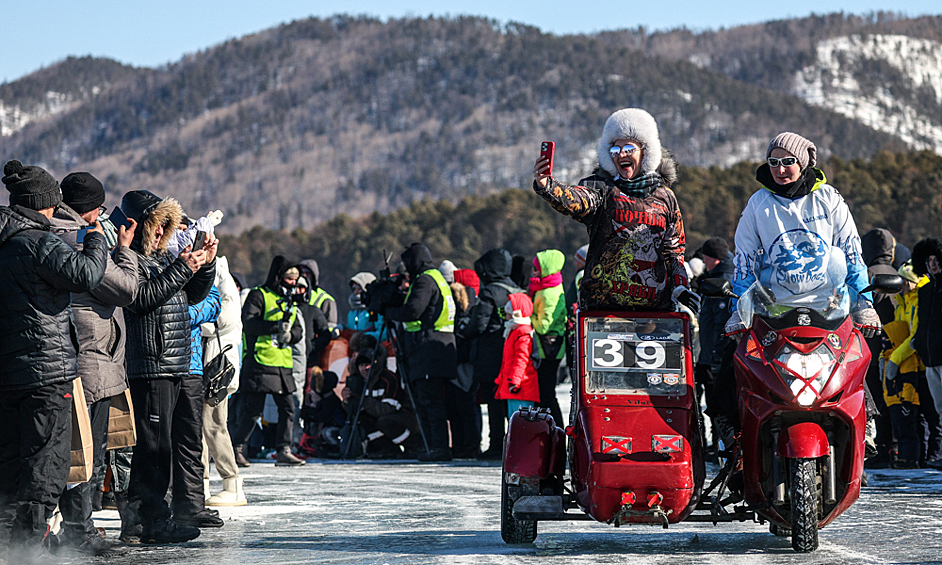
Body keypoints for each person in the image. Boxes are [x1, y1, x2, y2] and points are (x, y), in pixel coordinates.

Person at [716, 132, 881, 444]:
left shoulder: (829, 200)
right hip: (774, 308)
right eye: (773, 162)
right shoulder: (759, 204)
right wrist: (739, 309)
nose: (780, 169)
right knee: (734, 356)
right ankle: (731, 429)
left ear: (803, 162)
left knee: (852, 353)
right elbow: (745, 260)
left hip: (827, 307)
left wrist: (864, 303)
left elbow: (850, 253)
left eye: (788, 161)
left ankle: (866, 419)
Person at [0, 161, 108, 557]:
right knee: (46, 466)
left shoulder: (6, 240)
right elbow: (86, 275)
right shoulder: (37, 243)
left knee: (12, 464)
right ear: (45, 203)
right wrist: (96, 239)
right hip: (46, 372)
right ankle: (26, 551)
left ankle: (9, 547)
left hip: (11, 373)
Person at [532, 107, 698, 315]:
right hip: (602, 310)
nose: (621, 155)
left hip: (654, 314)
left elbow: (674, 250)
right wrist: (547, 185)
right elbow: (576, 200)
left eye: (628, 149)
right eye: (615, 150)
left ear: (645, 152)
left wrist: (681, 287)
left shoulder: (665, 198)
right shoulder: (602, 189)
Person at [50, 172, 138, 556]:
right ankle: (79, 529)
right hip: (90, 360)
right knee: (86, 451)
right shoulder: (81, 241)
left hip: (77, 357)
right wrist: (124, 248)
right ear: (91, 210)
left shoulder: (54, 235)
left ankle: (74, 527)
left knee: (73, 451)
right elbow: (126, 288)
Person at [121, 189, 217, 544]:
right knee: (152, 448)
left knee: (161, 448)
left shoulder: (161, 260)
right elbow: (142, 299)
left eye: (166, 226)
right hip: (152, 364)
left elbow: (192, 295)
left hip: (173, 362)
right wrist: (183, 266)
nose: (161, 233)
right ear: (141, 226)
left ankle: (146, 520)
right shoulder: (131, 259)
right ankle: (145, 521)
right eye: (156, 226)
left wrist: (204, 263)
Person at [383, 243, 457, 462]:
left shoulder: (424, 280)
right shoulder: (437, 278)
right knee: (433, 401)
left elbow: (414, 310)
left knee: (429, 402)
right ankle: (436, 446)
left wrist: (390, 312)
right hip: (438, 348)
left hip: (428, 350)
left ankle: (437, 447)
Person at [232, 256, 306, 466]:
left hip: (283, 362)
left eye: (295, 279)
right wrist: (275, 327)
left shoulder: (291, 301)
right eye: (289, 278)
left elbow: (297, 328)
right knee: (253, 410)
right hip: (260, 361)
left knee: (288, 409)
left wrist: (291, 336)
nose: (292, 283)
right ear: (278, 277)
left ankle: (283, 449)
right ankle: (237, 447)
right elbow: (249, 323)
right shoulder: (259, 295)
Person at [457, 248, 524, 459]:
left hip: (490, 353)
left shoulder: (489, 292)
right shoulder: (518, 289)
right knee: (511, 403)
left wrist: (463, 329)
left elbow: (478, 325)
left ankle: (496, 445)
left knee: (494, 401)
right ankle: (515, 445)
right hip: (511, 351)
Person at [202, 256, 247, 507]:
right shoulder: (212, 277)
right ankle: (203, 483)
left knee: (214, 426)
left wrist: (193, 319)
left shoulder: (222, 279)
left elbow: (225, 320)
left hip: (217, 371)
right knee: (199, 429)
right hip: (206, 368)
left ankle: (232, 483)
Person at [861, 228, 904, 467]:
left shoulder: (867, 274)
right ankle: (895, 449)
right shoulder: (897, 274)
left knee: (875, 400)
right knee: (897, 399)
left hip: (872, 346)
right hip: (899, 348)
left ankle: (881, 449)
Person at [882, 262, 931, 469]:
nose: (899, 284)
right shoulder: (902, 301)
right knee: (912, 415)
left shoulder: (919, 300)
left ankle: (926, 456)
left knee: (927, 415)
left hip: (920, 364)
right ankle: (916, 457)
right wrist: (884, 359)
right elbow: (897, 335)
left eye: (903, 280)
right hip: (906, 364)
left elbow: (914, 336)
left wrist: (894, 359)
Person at [341, 351, 420, 458]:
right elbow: (354, 411)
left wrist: (362, 400)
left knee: (384, 422)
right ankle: (386, 449)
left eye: (367, 365)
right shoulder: (357, 381)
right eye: (361, 365)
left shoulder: (388, 379)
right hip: (378, 416)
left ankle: (414, 445)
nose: (364, 369)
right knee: (362, 419)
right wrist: (347, 401)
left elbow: (388, 408)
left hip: (403, 416)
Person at [910, 238, 942, 469]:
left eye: (935, 260)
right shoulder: (925, 289)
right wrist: (919, 343)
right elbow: (922, 323)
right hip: (930, 359)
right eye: (928, 260)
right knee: (939, 409)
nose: (932, 264)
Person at [696, 237, 734, 431]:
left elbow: (721, 324)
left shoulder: (721, 282)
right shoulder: (714, 275)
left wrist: (713, 357)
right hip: (711, 354)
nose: (703, 260)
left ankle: (721, 441)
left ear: (715, 259)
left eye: (705, 256)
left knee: (717, 401)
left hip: (717, 356)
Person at [530, 249, 566, 427]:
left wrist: (528, 316)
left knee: (546, 394)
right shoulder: (549, 287)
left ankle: (556, 428)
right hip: (549, 348)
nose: (533, 271)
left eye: (537, 268)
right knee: (545, 393)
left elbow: (544, 326)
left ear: (546, 269)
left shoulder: (547, 293)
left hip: (548, 349)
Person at [494, 293, 540, 417]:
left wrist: (514, 381)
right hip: (513, 385)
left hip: (520, 386)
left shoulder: (522, 332)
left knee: (520, 421)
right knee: (515, 421)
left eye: (509, 315)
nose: (507, 318)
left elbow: (522, 359)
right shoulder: (514, 331)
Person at [299, 259, 339, 329]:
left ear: (313, 275)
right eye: (301, 273)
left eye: (307, 273)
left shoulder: (326, 299)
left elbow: (330, 326)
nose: (304, 276)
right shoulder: (293, 295)